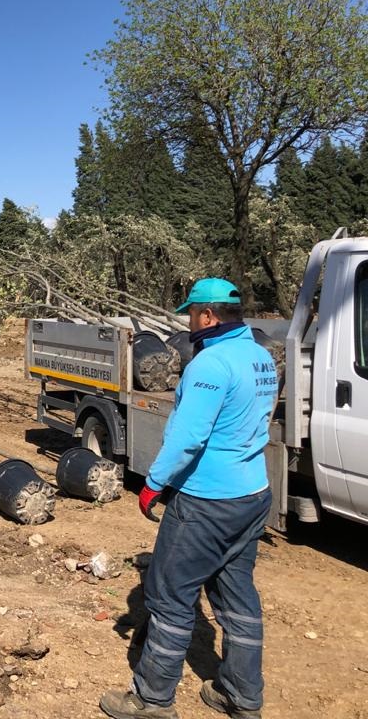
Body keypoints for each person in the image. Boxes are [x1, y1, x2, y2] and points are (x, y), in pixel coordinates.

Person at [100, 278, 277, 719]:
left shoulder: (210, 365)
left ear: (207, 316)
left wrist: (154, 483)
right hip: (252, 494)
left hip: (207, 502)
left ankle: (151, 700)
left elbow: (187, 438)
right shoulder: (261, 358)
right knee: (237, 594)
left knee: (169, 596)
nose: (188, 322)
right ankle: (241, 695)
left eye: (191, 314)